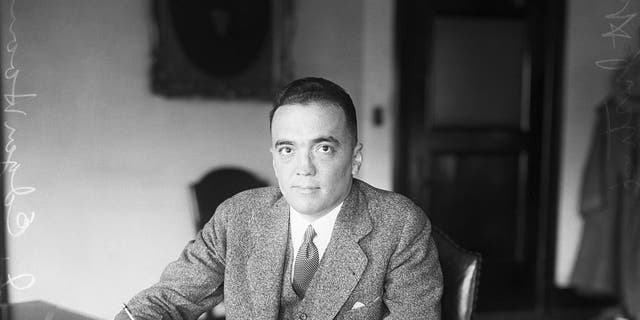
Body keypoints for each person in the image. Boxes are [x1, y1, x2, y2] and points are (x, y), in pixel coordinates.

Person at [115, 77, 442, 320]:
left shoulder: (399, 226)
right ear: (274, 159)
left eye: (323, 148)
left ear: (355, 158)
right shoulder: (237, 216)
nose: (304, 168)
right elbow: (166, 301)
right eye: (288, 150)